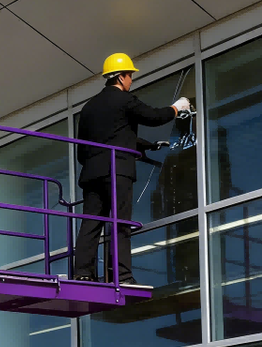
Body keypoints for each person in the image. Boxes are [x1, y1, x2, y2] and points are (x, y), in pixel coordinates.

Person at [73, 53, 191, 286]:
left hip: (92, 174)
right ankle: (122, 276)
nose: (131, 80)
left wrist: (145, 146)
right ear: (121, 77)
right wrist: (177, 108)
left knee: (91, 223)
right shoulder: (124, 100)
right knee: (120, 223)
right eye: (130, 75)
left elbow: (104, 140)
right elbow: (154, 117)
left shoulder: (88, 108)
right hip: (117, 171)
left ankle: (83, 273)